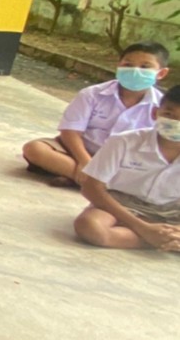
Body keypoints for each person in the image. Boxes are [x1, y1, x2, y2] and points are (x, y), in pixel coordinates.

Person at [23, 43, 170, 185]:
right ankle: (100, 184)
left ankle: (81, 179)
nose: (135, 71)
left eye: (145, 67)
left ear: (161, 73)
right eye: (128, 65)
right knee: (35, 149)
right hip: (80, 153)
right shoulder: (92, 94)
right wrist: (85, 162)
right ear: (118, 66)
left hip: (124, 163)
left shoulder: (163, 107)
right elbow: (70, 132)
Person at [72, 85, 180, 251]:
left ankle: (163, 239)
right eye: (169, 114)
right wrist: (142, 227)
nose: (176, 123)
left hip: (172, 210)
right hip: (122, 203)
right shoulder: (123, 142)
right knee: (89, 226)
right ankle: (162, 240)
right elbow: (91, 188)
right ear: (155, 113)